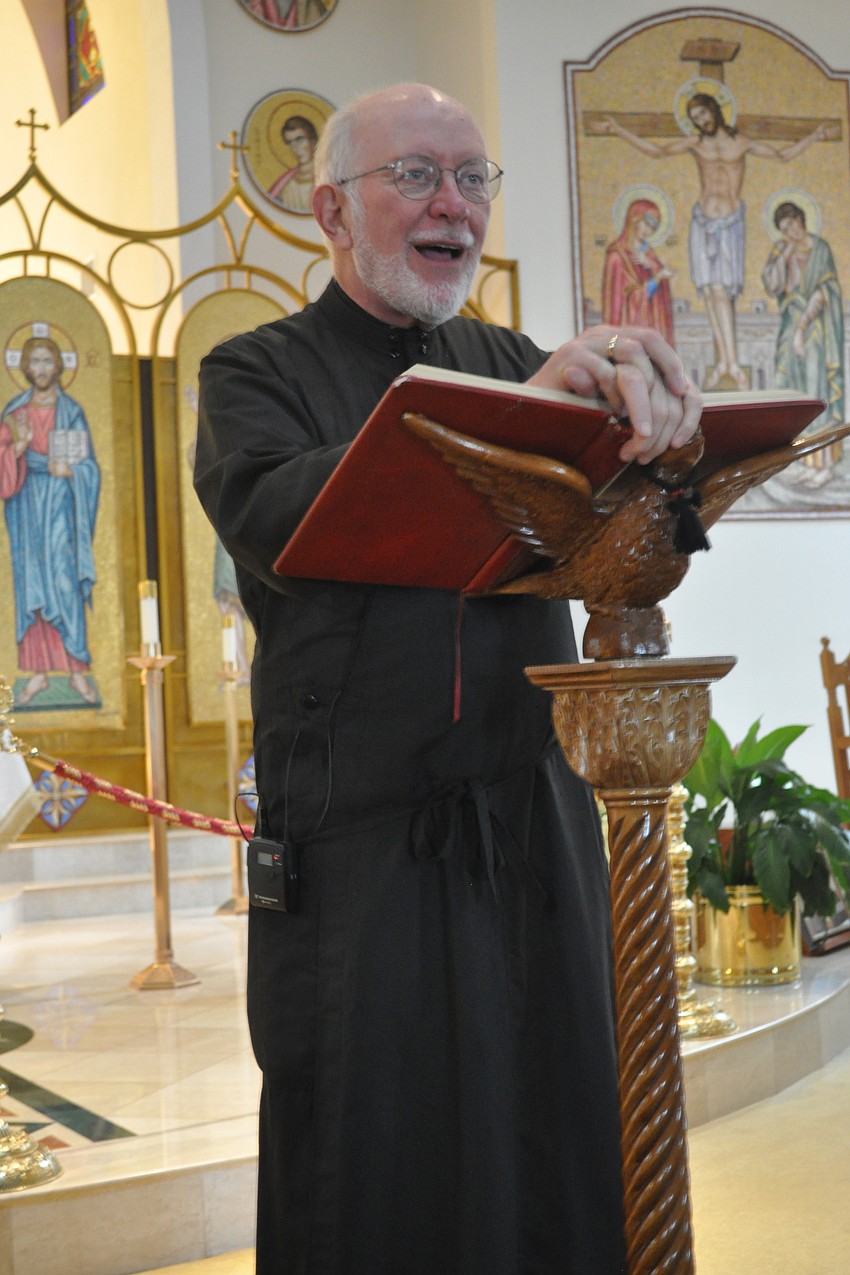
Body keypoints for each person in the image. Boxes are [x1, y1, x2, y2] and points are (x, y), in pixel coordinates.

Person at [195, 82, 701, 1275]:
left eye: (473, 179)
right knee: (381, 1150)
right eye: (417, 175)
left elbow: (612, 554)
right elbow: (301, 522)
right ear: (330, 208)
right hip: (365, 838)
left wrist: (664, 460)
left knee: (558, 1120)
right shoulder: (250, 374)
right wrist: (523, 418)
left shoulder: (511, 359)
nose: (454, 205)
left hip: (535, 812)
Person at [602, 94, 830, 390]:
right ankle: (724, 362)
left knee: (723, 292)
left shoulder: (742, 142)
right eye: (695, 118)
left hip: (731, 222)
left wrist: (814, 136)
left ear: (714, 110)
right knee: (710, 291)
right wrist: (619, 130)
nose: (701, 121)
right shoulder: (697, 144)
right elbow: (657, 151)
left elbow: (782, 155)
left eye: (703, 114)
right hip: (702, 222)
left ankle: (732, 363)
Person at [0, 336, 100, 707]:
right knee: (33, 584)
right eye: (35, 362)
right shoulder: (14, 411)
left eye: (47, 361)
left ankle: (76, 671)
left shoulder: (72, 410)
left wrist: (73, 472)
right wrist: (20, 447)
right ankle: (38, 674)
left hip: (60, 505)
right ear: (26, 368)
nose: (41, 369)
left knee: (63, 580)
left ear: (57, 367)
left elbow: (90, 466)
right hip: (26, 506)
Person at [762, 199, 845, 489]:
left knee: (816, 390)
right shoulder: (782, 250)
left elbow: (824, 291)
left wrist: (802, 329)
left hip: (814, 332)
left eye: (791, 224)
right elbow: (773, 286)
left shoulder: (819, 248)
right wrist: (784, 256)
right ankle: (809, 462)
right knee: (794, 392)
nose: (789, 232)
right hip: (790, 327)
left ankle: (826, 465)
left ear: (801, 220)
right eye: (783, 229)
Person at [601, 196, 674, 344]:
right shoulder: (617, 256)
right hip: (627, 332)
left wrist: (653, 267)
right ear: (634, 220)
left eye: (653, 228)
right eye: (646, 224)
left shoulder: (650, 255)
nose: (649, 231)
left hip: (650, 329)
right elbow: (627, 298)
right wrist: (658, 278)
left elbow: (660, 301)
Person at [267, 115, 319, 213]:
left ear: (312, 140)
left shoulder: (328, 177)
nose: (295, 147)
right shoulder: (285, 184)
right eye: (290, 142)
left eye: (299, 139)